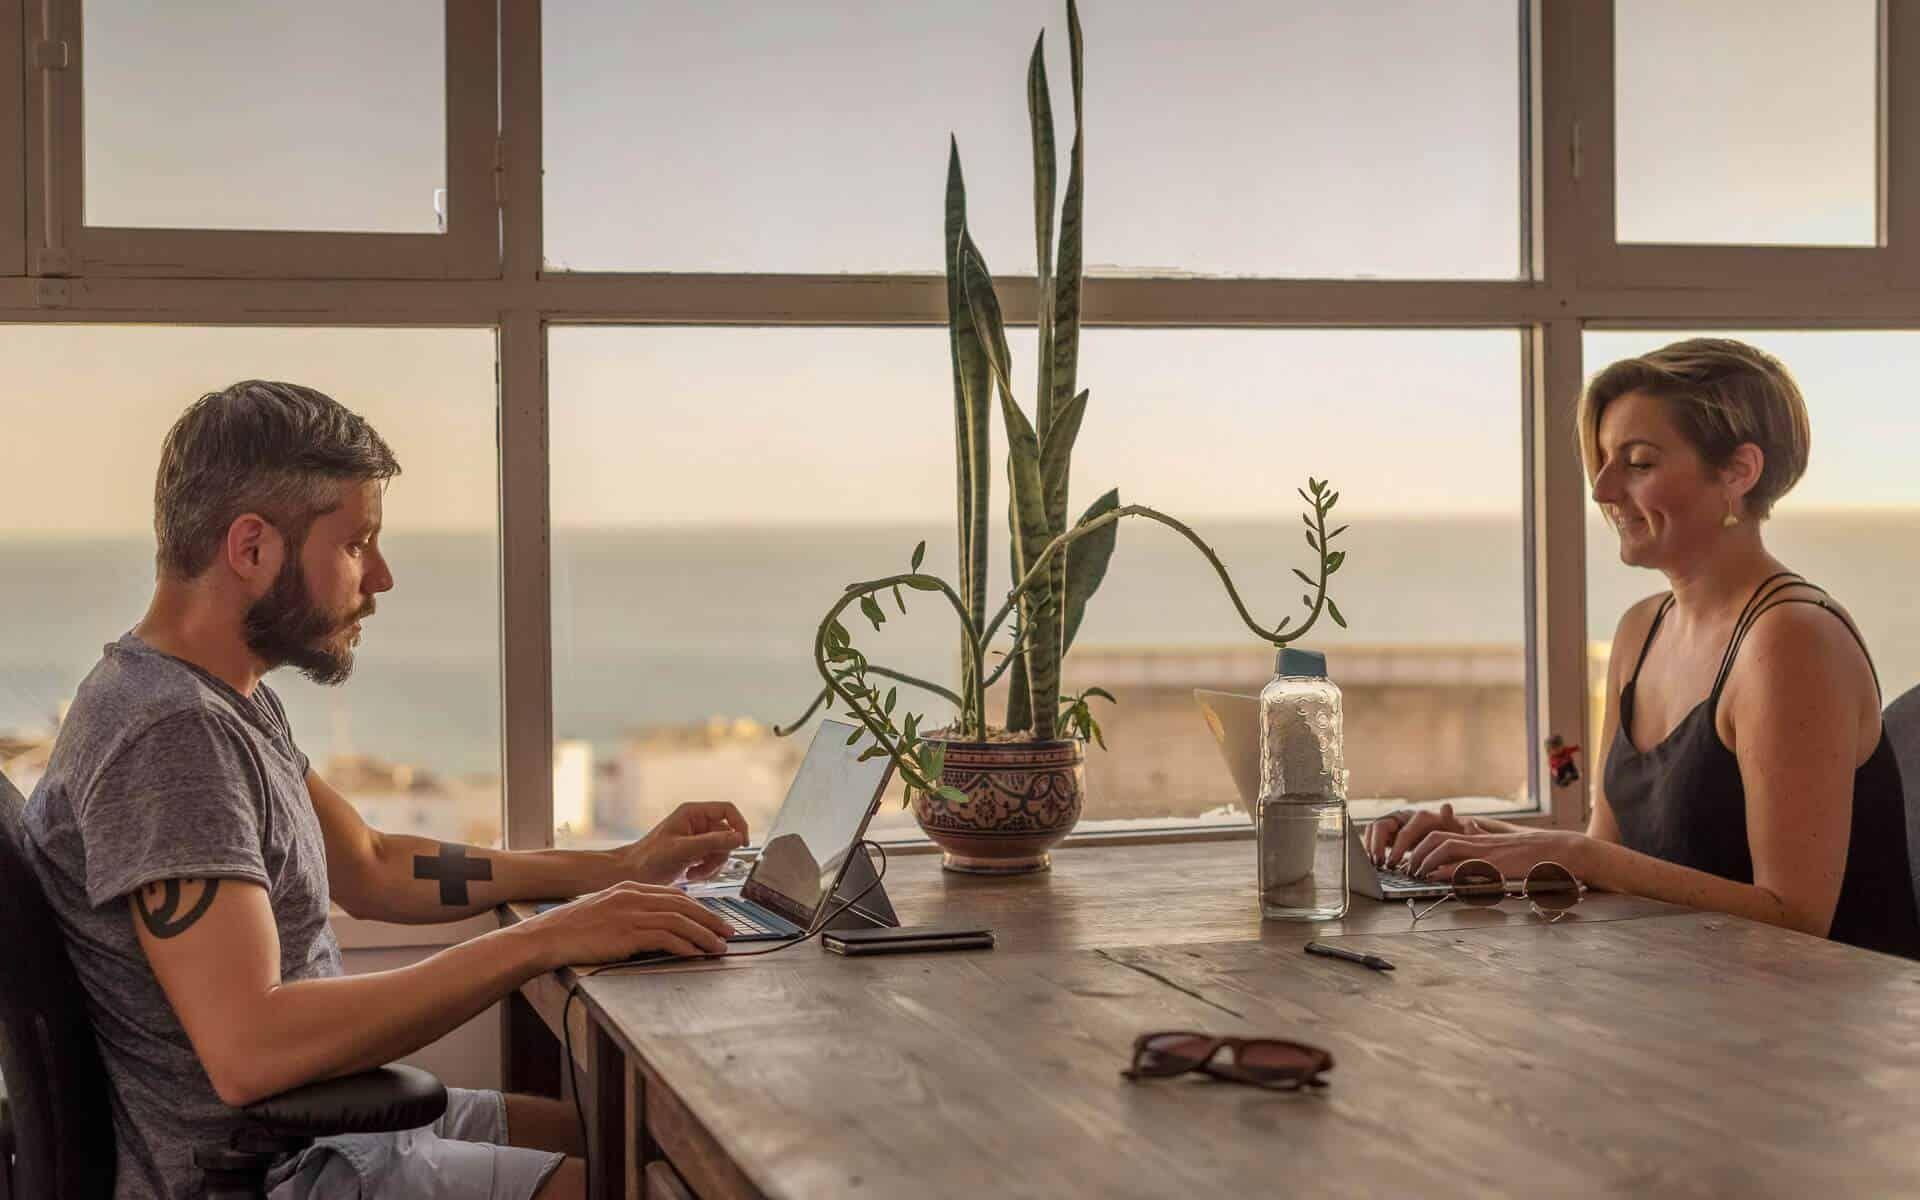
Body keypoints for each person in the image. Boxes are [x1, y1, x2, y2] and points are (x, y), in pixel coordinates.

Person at [22, 381, 748, 1200]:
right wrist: (543, 941)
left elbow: (371, 864)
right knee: (658, 1183)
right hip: (276, 1168)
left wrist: (616, 867)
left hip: (319, 1126)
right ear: (252, 548)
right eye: (358, 543)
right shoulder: (169, 733)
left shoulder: (228, 698)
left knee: (638, 1140)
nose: (384, 577)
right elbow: (250, 1046)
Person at [1366, 338, 1920, 959]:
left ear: (1738, 471)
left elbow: (1795, 916)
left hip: (1823, 1025)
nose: (1603, 491)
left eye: (1637, 462)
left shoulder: (1792, 641)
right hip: (1691, 996)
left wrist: (1571, 851)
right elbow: (1614, 848)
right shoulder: (1642, 628)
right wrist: (1469, 838)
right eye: (1602, 462)